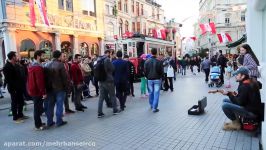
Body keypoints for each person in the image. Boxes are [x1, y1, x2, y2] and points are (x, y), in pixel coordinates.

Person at [3, 51, 29, 123]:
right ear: (13, 57)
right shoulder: (7, 67)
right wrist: (14, 88)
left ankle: (20, 115)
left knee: (21, 101)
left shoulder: (16, 65)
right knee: (14, 102)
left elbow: (21, 75)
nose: (17, 57)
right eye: (16, 56)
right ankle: (15, 117)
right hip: (13, 88)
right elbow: (9, 79)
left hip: (19, 87)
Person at [44, 50, 68, 127]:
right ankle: (59, 121)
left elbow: (45, 78)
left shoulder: (47, 64)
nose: (62, 57)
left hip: (50, 89)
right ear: (59, 56)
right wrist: (66, 87)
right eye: (61, 56)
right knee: (59, 105)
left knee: (50, 106)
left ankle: (49, 121)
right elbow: (64, 78)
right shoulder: (60, 65)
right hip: (59, 88)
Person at [27, 50, 47, 130]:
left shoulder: (32, 65)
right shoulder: (37, 67)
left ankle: (39, 122)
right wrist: (43, 92)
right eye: (43, 55)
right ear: (38, 56)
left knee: (37, 108)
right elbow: (40, 81)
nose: (45, 57)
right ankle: (38, 125)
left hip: (33, 90)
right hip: (37, 91)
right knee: (37, 108)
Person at [97, 50, 121, 118]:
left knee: (101, 97)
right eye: (110, 53)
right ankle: (115, 110)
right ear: (108, 53)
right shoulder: (107, 60)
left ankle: (100, 113)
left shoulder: (99, 59)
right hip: (108, 80)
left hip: (101, 81)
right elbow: (113, 68)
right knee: (112, 95)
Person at [144, 48, 164, 113]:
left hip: (149, 79)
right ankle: (155, 108)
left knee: (150, 92)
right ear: (156, 53)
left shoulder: (146, 61)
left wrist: (147, 77)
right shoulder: (159, 61)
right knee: (156, 93)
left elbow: (145, 71)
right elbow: (161, 72)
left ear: (151, 52)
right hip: (157, 79)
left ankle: (151, 105)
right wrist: (160, 77)